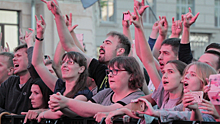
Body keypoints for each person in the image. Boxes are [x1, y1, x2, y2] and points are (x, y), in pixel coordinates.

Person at [38, 56, 145, 122]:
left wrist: (67, 102)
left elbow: (108, 110)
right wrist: (61, 106)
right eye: (109, 71)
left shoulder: (138, 98)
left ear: (131, 75)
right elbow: (83, 110)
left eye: (115, 71)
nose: (110, 75)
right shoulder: (106, 92)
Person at [0, 44, 43, 114]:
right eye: (14, 57)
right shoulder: (10, 82)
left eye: (19, 56)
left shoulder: (38, 82)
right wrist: (10, 115)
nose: (14, 59)